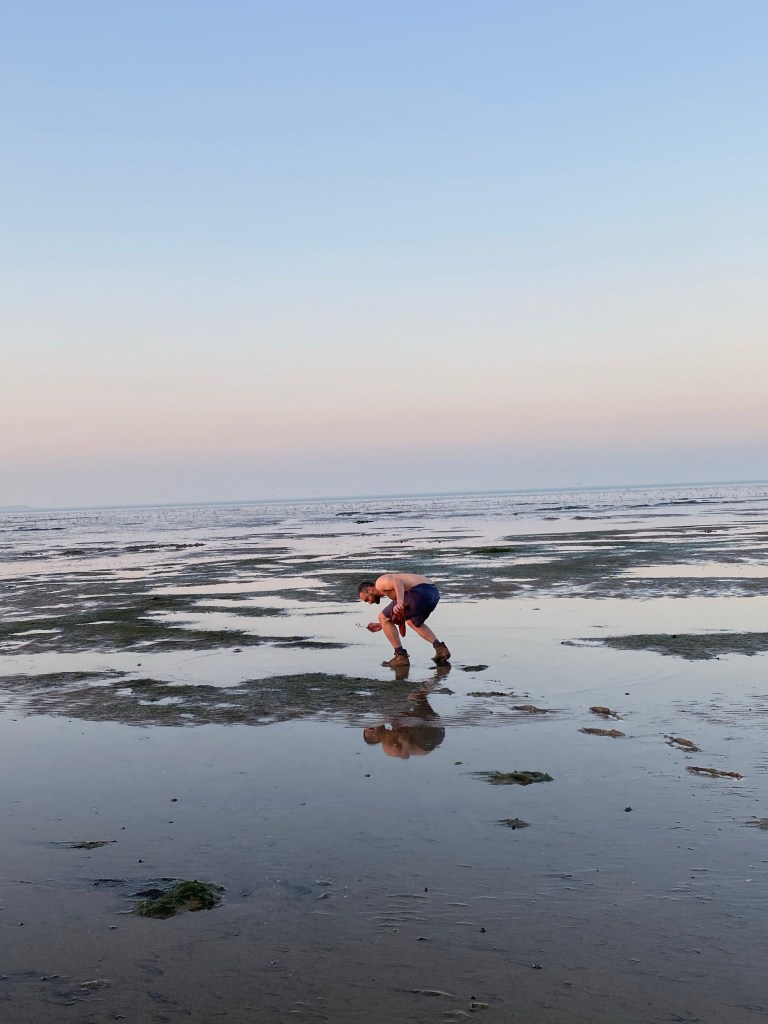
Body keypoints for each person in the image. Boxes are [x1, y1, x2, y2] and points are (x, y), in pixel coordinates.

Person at [357, 572, 451, 667]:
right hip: (433, 594)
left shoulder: (379, 583)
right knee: (413, 622)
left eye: (367, 599)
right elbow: (399, 614)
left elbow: (397, 581)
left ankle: (400, 656)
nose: (369, 603)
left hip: (420, 591)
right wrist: (382, 624)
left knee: (382, 617)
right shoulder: (391, 590)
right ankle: (441, 649)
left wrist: (399, 602)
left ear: (370, 589)